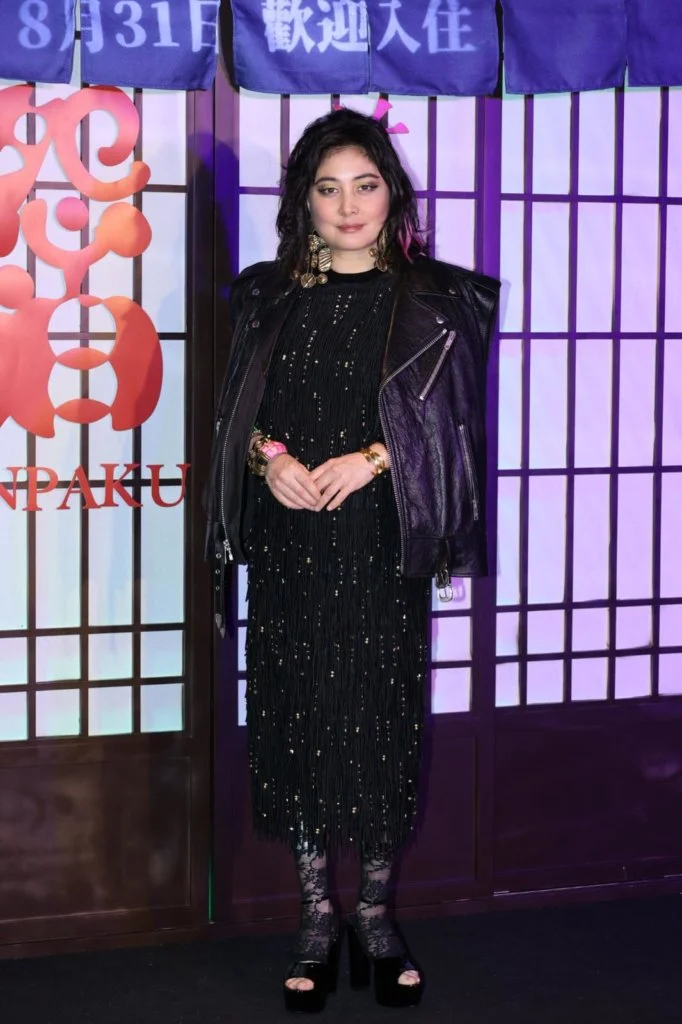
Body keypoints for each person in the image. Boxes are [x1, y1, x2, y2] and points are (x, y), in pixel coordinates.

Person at [205, 107, 500, 1012]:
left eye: (364, 185)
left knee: (378, 723)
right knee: (295, 718)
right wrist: (271, 461)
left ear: (391, 193)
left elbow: (454, 432)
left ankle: (372, 912)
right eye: (327, 188)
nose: (347, 205)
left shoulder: (440, 301)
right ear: (303, 201)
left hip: (380, 548)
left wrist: (372, 461)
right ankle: (314, 916)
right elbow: (237, 420)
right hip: (290, 546)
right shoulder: (265, 295)